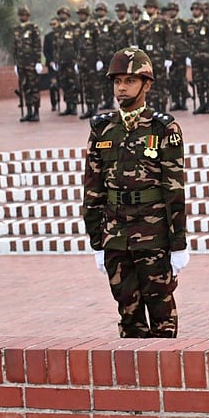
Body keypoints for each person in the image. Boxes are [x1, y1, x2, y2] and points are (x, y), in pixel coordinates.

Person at [83, 48, 188, 338]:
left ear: (147, 84)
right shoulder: (102, 130)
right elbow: (92, 189)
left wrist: (178, 244)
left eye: (130, 81)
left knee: (161, 314)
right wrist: (96, 242)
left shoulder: (163, 128)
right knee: (128, 316)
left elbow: (174, 189)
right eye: (117, 81)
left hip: (153, 234)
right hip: (116, 235)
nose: (122, 88)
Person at [13, 5, 44, 122]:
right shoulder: (16, 30)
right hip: (21, 63)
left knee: (34, 88)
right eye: (21, 15)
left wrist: (38, 62)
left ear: (28, 16)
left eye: (25, 15)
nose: (23, 17)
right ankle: (29, 111)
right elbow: (15, 48)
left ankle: (36, 112)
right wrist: (15, 63)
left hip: (31, 63)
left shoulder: (33, 28)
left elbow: (37, 45)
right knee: (25, 88)